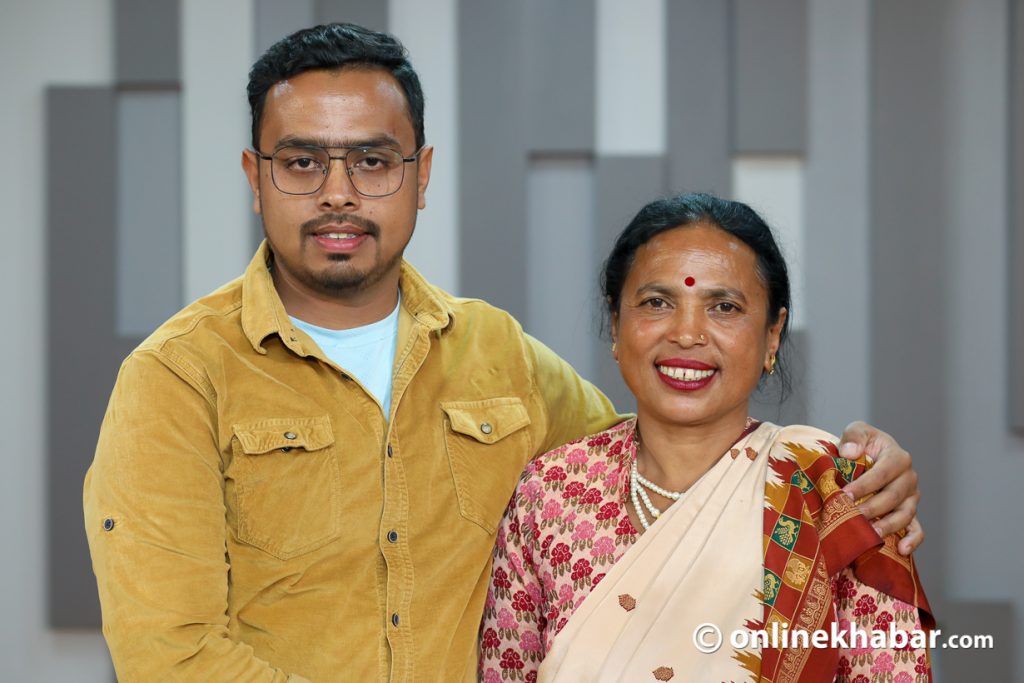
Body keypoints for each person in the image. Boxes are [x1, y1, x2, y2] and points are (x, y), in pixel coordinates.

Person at [83, 24, 922, 683]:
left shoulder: (497, 354)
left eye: (373, 160)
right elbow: (174, 656)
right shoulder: (179, 380)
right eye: (302, 161)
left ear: (421, 174)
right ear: (254, 174)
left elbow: (679, 457)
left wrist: (860, 471)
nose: (338, 191)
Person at [479, 193, 934, 682]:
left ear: (773, 334)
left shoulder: (839, 494)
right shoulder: (549, 493)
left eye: (723, 306)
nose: (688, 333)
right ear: (616, 322)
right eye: (657, 302)